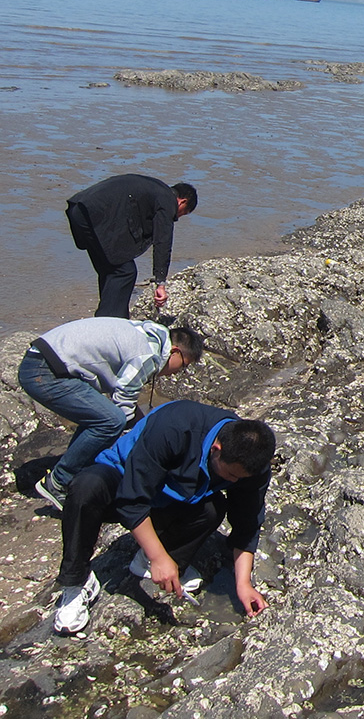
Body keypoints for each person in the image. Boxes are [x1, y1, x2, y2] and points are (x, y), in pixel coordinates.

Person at [52, 399, 276, 635]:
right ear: (216, 450)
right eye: (230, 474)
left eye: (240, 478)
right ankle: (76, 583)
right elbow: (132, 499)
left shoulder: (252, 466)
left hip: (172, 497)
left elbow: (247, 523)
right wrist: (158, 557)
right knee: (86, 487)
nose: (233, 482)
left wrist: (243, 584)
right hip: (122, 481)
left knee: (213, 508)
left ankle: (154, 561)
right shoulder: (174, 428)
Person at [19, 317, 203, 510]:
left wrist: (145, 425)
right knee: (111, 421)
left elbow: (128, 403)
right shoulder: (149, 354)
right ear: (175, 351)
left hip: (44, 360)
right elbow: (123, 404)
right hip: (43, 371)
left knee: (101, 414)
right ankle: (58, 481)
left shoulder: (149, 335)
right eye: (183, 366)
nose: (177, 372)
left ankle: (76, 472)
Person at [66, 174, 198, 318]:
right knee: (125, 272)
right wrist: (160, 282)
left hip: (78, 209)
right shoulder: (167, 199)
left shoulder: (154, 189)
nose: (176, 218)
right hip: (93, 213)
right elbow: (163, 241)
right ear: (182, 201)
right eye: (182, 213)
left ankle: (115, 318)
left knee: (111, 270)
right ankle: (109, 322)